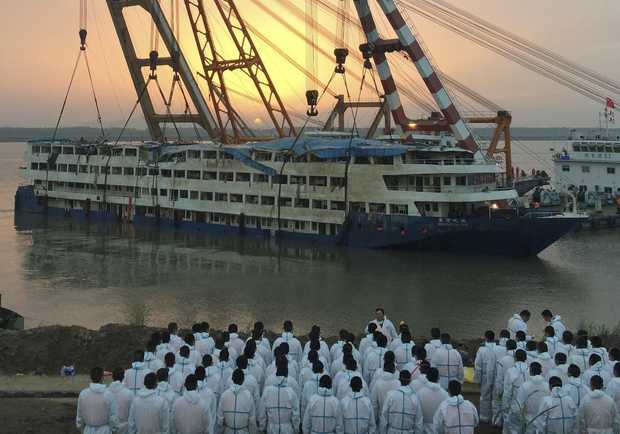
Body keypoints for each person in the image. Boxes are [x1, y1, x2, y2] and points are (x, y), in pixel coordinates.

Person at [258, 365, 300, 434]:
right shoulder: (291, 392)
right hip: (287, 429)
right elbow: (295, 414)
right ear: (287, 375)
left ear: (275, 375)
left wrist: (262, 428)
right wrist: (296, 429)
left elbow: (262, 412)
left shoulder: (267, 391)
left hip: (271, 429)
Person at [76, 367, 119, 434]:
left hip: (88, 430)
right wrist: (114, 429)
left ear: (91, 377)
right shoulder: (109, 395)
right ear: (102, 378)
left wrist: (81, 429)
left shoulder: (83, 394)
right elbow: (113, 417)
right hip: (104, 431)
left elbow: (79, 416)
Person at [380, 370, 423, 434]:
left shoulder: (391, 395)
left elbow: (384, 417)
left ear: (399, 379)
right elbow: (418, 422)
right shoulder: (415, 398)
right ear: (410, 380)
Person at [512, 362, 550, 434]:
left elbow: (519, 406)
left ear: (530, 371)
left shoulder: (524, 386)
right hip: (543, 423)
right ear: (541, 371)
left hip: (528, 421)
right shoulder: (548, 386)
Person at [217, 369, 257, 434]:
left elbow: (220, 418)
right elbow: (252, 419)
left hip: (228, 431)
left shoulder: (224, 395)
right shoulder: (248, 396)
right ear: (243, 380)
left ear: (232, 379)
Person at [474, 330, 499, 424]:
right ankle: (495, 417)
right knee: (495, 397)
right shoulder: (498, 348)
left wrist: (477, 379)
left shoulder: (482, 349)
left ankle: (484, 416)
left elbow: (478, 366)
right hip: (496, 375)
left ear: (486, 338)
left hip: (485, 376)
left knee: (485, 396)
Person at [502, 349, 529, 434]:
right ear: (525, 358)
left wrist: (505, 406)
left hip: (514, 404)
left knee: (512, 428)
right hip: (527, 406)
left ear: (515, 358)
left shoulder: (511, 371)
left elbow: (507, 391)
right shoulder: (530, 370)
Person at [493, 339, 517, 428]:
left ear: (506, 347)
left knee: (499, 405)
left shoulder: (502, 360)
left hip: (504, 387)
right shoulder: (519, 359)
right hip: (516, 388)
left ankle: (497, 423)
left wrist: (499, 391)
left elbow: (499, 378)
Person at [417, 368, 449, 434]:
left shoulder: (419, 393)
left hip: (423, 429)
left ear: (426, 377)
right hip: (439, 430)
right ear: (438, 377)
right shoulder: (445, 395)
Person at [108, 367, 134, 434]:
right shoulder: (129, 393)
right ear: (123, 377)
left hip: (109, 428)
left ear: (112, 377)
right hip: (125, 429)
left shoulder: (105, 392)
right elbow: (132, 415)